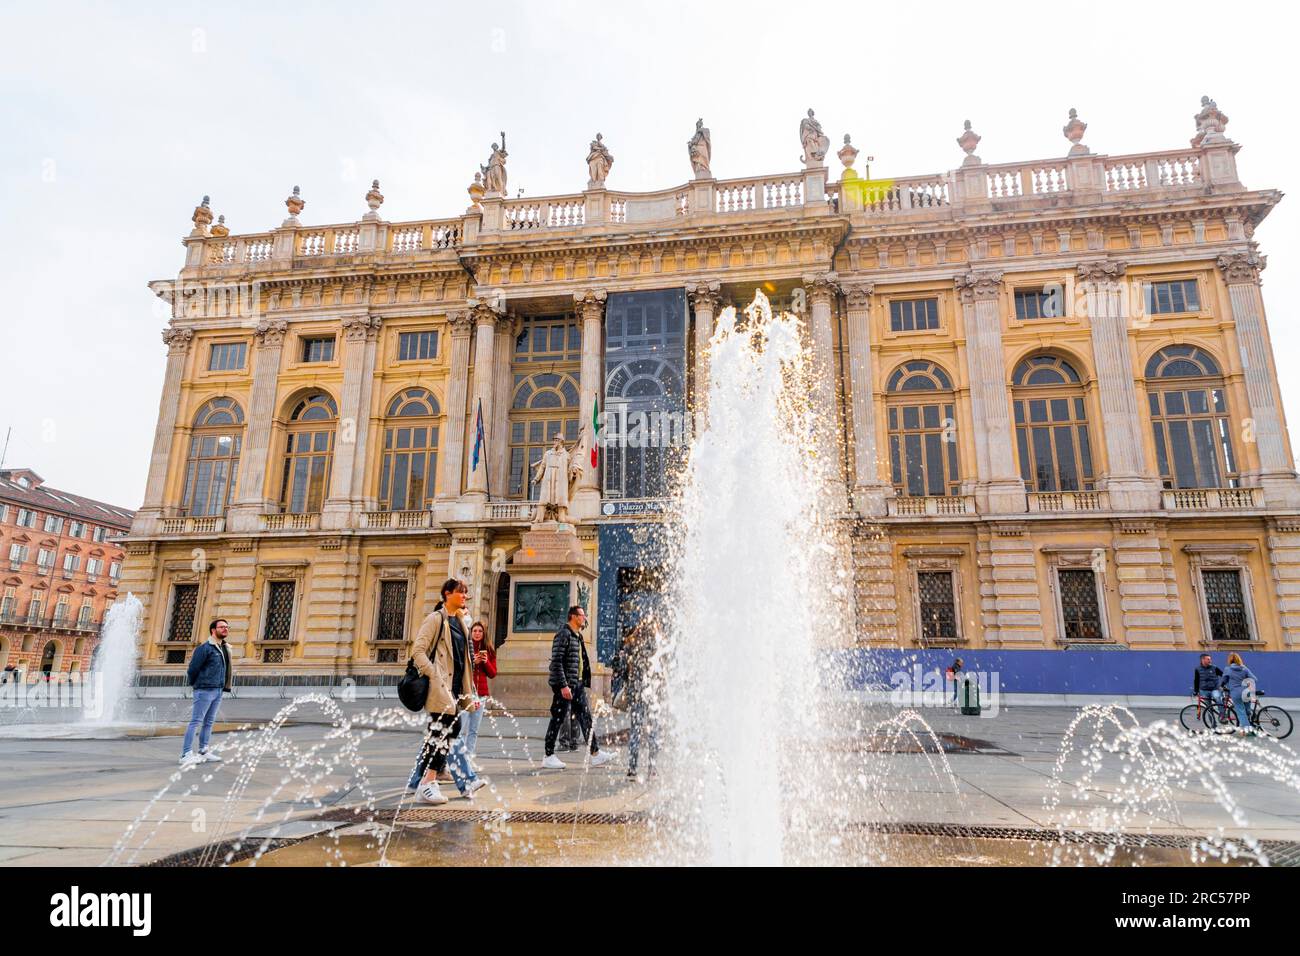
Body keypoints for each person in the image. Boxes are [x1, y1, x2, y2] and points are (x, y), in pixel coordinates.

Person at [407, 579, 486, 804]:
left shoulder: (460, 622)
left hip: (454, 689)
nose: (465, 597)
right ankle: (427, 783)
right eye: (461, 593)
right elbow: (418, 651)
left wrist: (469, 693)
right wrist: (434, 675)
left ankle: (428, 780)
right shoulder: (436, 619)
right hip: (440, 688)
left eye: (466, 593)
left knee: (442, 733)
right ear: (447, 594)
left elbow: (463, 662)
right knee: (444, 731)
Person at [542, 605, 613, 769]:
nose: (585, 618)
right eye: (582, 615)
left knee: (586, 718)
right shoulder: (564, 634)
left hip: (577, 684)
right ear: (573, 617)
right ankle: (548, 754)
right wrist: (563, 685)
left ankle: (595, 753)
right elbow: (557, 661)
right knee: (558, 718)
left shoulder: (577, 636)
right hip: (566, 686)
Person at [445, 620, 495, 778]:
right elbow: (459, 669)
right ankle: (455, 759)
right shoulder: (465, 648)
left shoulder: (489, 650)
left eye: (480, 631)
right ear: (470, 633)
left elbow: (493, 673)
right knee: (460, 729)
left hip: (481, 694)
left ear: (484, 633)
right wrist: (472, 662)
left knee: (474, 730)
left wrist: (485, 662)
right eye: (475, 631)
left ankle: (468, 759)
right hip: (466, 694)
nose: (477, 633)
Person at [180, 619, 232, 767]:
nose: (225, 629)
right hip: (204, 689)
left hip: (218, 689)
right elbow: (193, 669)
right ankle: (186, 754)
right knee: (196, 721)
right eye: (222, 627)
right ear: (213, 630)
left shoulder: (224, 648)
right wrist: (197, 685)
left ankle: (203, 751)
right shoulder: (205, 648)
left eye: (227, 627)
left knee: (209, 722)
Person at [615, 622, 659, 780]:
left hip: (635, 694)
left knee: (635, 731)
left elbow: (621, 669)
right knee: (653, 731)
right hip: (651, 692)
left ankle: (632, 769)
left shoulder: (630, 646)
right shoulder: (655, 645)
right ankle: (652, 769)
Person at [1220, 652, 1259, 735]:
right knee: (1247, 710)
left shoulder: (1228, 669)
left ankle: (1248, 730)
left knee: (1241, 712)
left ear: (1230, 660)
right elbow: (1254, 679)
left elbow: (1224, 680)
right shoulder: (1244, 668)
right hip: (1246, 692)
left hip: (1236, 693)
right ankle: (1251, 725)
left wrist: (1222, 686)